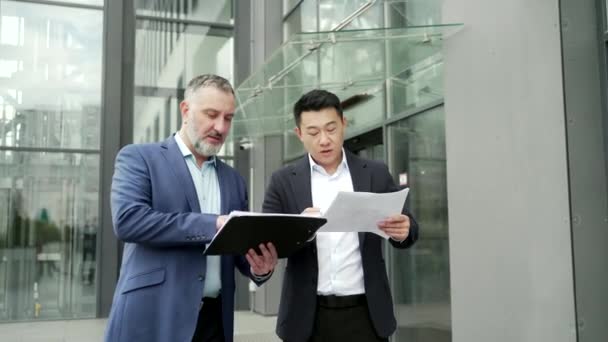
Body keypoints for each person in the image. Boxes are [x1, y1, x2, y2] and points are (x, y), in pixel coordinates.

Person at [105, 74, 278, 342]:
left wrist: (260, 267)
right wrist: (213, 224)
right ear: (185, 110)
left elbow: (240, 255)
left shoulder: (233, 180)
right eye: (211, 114)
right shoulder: (139, 157)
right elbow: (128, 220)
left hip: (214, 322)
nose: (220, 127)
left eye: (228, 118)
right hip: (153, 317)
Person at [262, 89, 419, 342]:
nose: (324, 140)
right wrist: (299, 227)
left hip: (366, 315)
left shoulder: (375, 173)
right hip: (307, 318)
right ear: (299, 134)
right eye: (313, 132)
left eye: (331, 129)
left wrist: (405, 229)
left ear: (344, 125)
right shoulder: (283, 181)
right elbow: (268, 240)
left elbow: (409, 227)